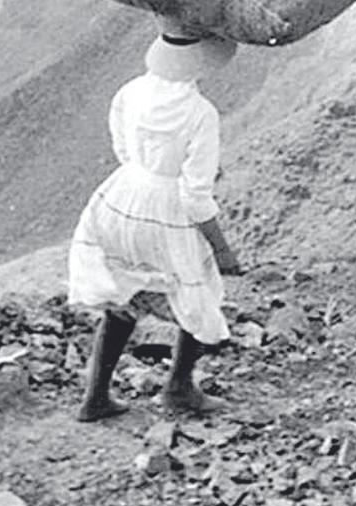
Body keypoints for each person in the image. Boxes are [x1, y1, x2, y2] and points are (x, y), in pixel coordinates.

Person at [68, 26, 241, 420]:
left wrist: (148, 172)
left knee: (121, 299)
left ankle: (95, 397)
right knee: (199, 292)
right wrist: (222, 248)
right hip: (168, 208)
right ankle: (179, 387)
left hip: (120, 198)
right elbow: (196, 195)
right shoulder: (200, 113)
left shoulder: (131, 91)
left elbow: (122, 147)